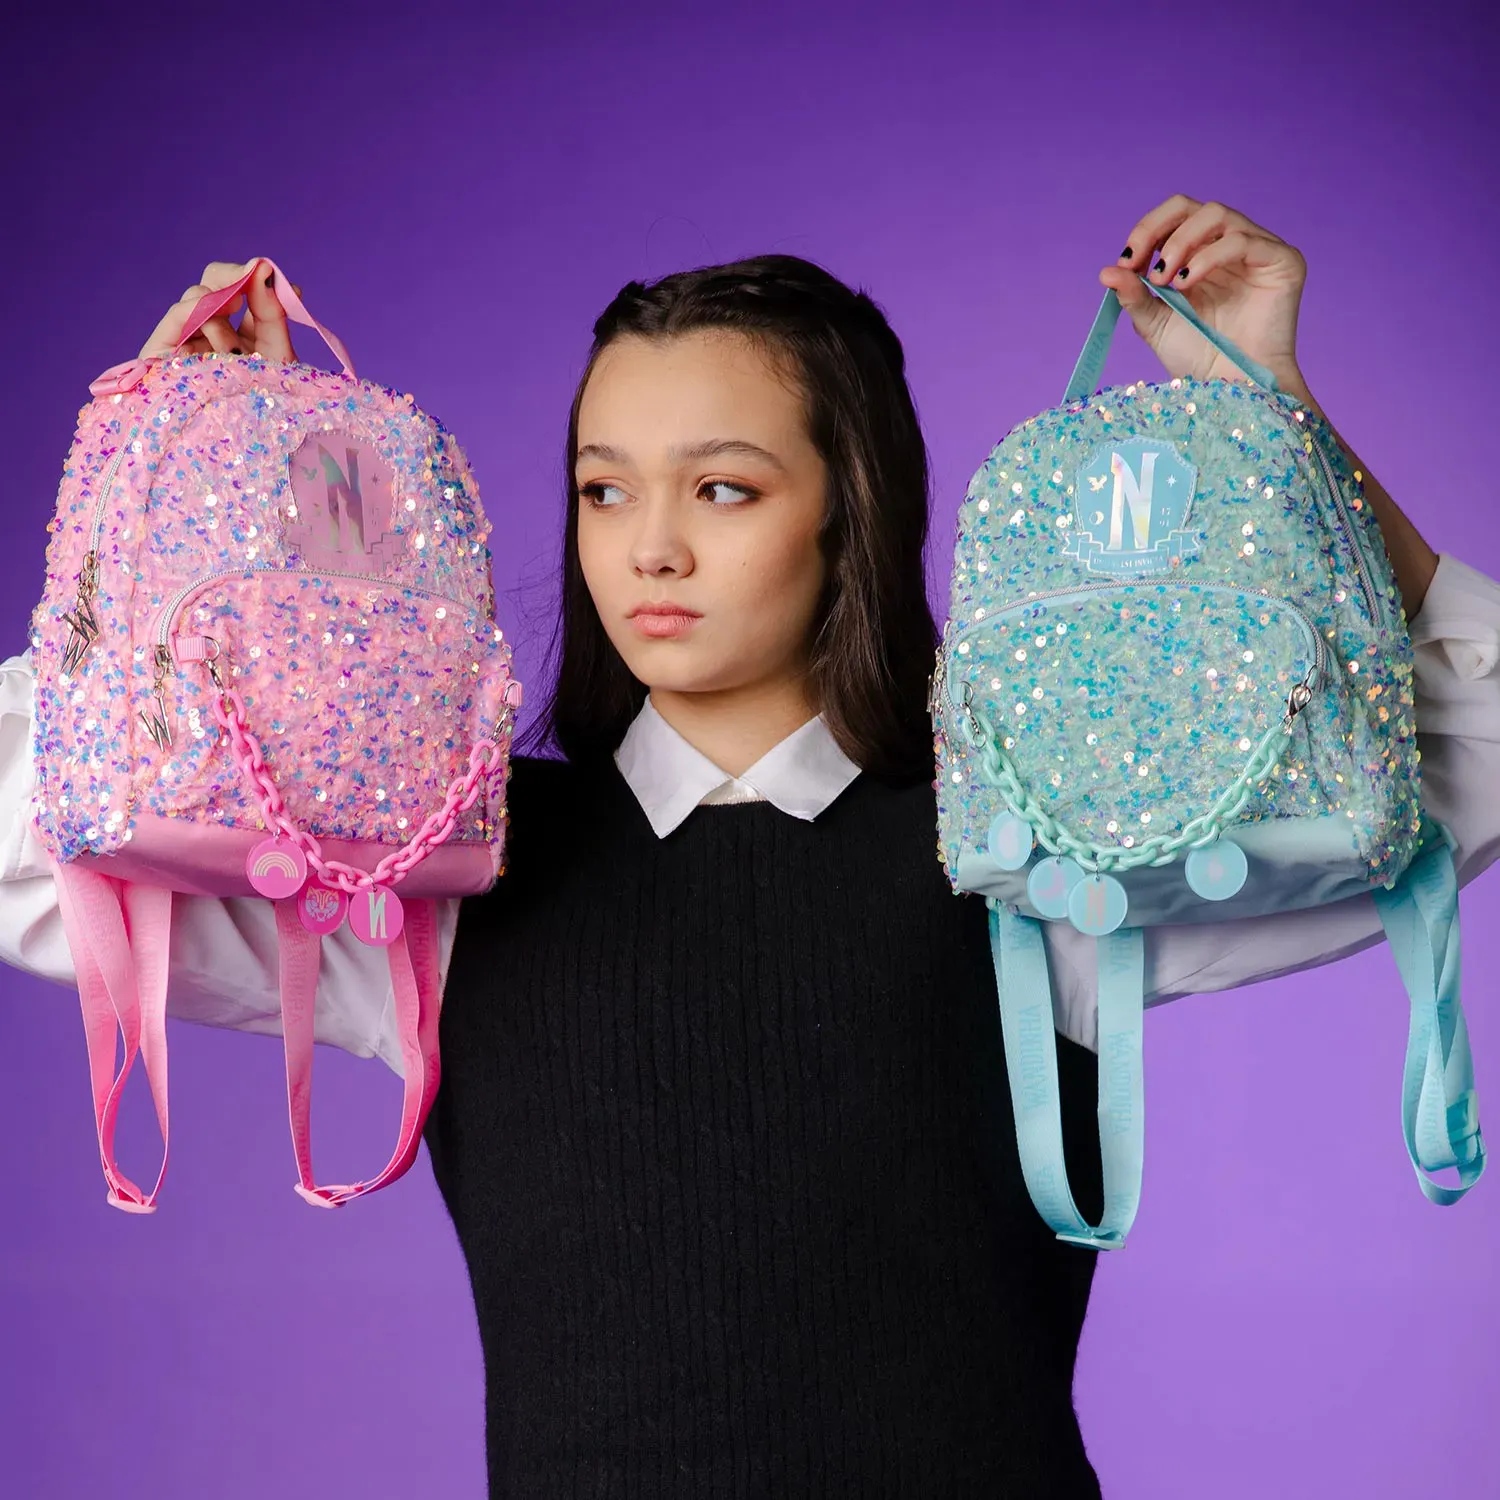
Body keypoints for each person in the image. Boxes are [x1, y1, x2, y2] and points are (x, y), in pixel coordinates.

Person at [4, 194, 1500, 1495]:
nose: (649, 546)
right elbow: (36, 837)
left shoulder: (1024, 842)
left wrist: (1270, 421)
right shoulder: (448, 868)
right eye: (605, 489)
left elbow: (1475, 749)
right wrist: (181, 478)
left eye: (723, 488)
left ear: (852, 512)